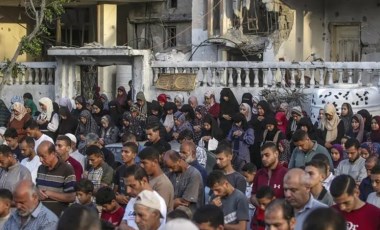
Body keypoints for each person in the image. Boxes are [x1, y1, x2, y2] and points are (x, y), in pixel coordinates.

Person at [119, 165, 167, 230]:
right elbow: (124, 221)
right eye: (126, 186)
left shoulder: (158, 203)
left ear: (144, 181)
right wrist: (123, 226)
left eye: (132, 186)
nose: (128, 191)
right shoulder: (134, 199)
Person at [35, 141, 76, 216]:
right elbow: (37, 188)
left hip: (57, 216)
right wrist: (37, 192)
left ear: (53, 154)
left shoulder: (67, 169)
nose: (40, 160)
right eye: (39, 156)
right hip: (39, 216)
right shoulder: (41, 168)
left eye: (43, 156)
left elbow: (72, 197)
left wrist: (49, 194)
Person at [138, 146, 174, 212]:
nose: (141, 166)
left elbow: (157, 212)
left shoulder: (163, 184)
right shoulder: (147, 178)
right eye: (141, 163)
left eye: (144, 163)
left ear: (154, 162)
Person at [241, 162, 256, 228]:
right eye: (243, 176)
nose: (245, 178)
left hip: (253, 210)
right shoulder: (244, 183)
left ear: (254, 174)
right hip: (245, 209)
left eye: (246, 176)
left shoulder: (257, 185)